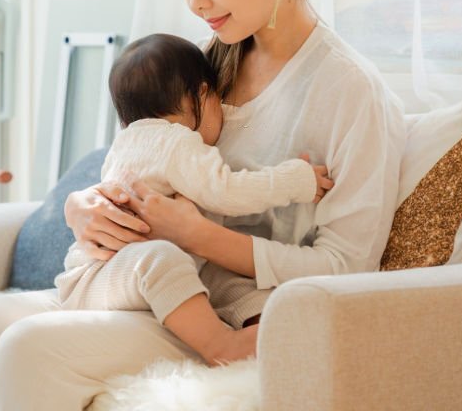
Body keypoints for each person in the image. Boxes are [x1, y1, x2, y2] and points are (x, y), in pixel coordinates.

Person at [0, 0, 406, 411]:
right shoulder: (212, 64)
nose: (196, 3)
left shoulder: (349, 91)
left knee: (32, 350)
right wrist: (86, 210)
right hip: (155, 285)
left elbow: (344, 270)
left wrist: (198, 235)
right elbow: (139, 156)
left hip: (231, 315)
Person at [54, 32, 333, 366]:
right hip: (104, 275)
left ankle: (267, 327)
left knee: (226, 279)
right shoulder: (176, 142)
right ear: (203, 95)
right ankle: (221, 345)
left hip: (112, 278)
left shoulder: (126, 143)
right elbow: (228, 191)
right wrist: (295, 180)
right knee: (161, 258)